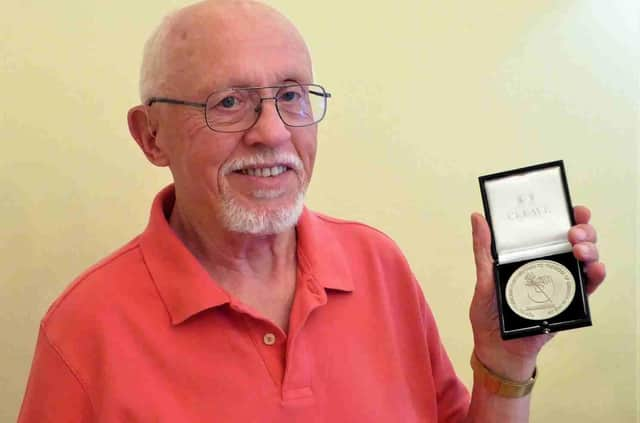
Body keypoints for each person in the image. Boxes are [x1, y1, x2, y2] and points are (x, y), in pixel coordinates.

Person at [18, 1, 606, 421]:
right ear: (151, 137)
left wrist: (504, 358)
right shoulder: (84, 329)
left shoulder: (378, 264)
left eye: (292, 96)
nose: (272, 133)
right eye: (229, 102)